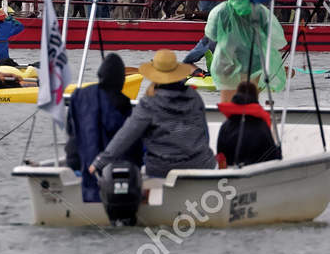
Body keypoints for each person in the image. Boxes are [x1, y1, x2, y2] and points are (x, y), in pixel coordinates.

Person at [91, 50, 217, 179]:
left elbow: (126, 135)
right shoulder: (194, 97)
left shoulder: (149, 103)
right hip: (202, 165)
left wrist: (99, 162)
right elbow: (204, 134)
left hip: (163, 170)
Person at [64, 53, 139, 201]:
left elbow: (70, 130)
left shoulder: (78, 95)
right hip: (107, 168)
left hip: (76, 161)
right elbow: (127, 139)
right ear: (121, 79)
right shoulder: (123, 102)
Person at [203, 0, 286, 101]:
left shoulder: (221, 10)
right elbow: (276, 39)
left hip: (226, 59)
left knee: (228, 102)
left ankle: (230, 118)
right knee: (251, 99)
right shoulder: (260, 10)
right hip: (254, 61)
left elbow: (211, 34)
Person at [216, 82, 281, 166]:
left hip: (231, 172)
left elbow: (220, 156)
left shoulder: (225, 126)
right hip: (256, 173)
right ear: (256, 97)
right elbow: (272, 156)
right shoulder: (262, 126)